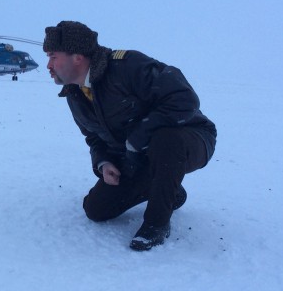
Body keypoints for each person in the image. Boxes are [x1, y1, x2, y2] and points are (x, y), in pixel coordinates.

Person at [44, 21, 216, 251]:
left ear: (77, 57)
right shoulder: (74, 95)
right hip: (137, 156)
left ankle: (156, 224)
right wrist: (104, 163)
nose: (48, 65)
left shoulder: (127, 66)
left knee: (166, 139)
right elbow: (93, 138)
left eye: (53, 56)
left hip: (191, 137)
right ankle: (169, 191)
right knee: (96, 209)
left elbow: (184, 99)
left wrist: (138, 137)